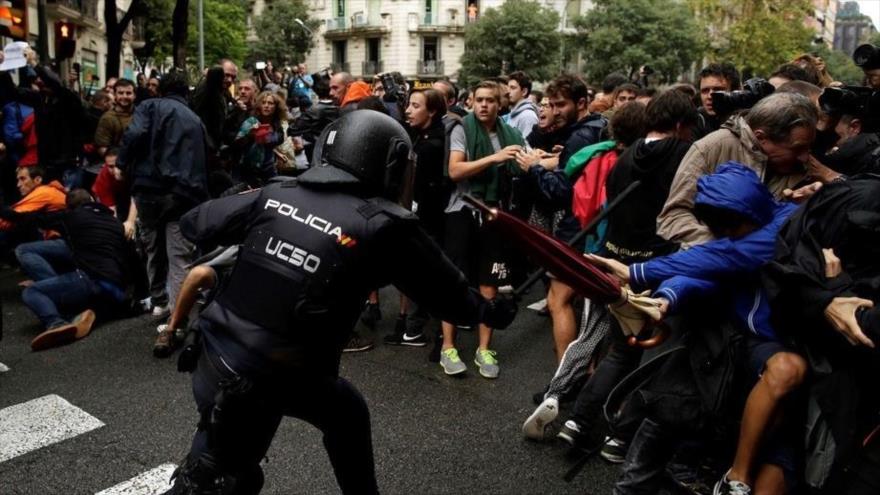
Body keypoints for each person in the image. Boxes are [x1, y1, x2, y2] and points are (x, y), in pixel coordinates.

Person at [161, 110, 518, 494]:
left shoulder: (277, 192)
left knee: (325, 418)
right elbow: (453, 299)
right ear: (391, 162)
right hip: (279, 374)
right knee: (231, 471)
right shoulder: (385, 225)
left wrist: (257, 216)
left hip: (215, 358)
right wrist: (493, 310)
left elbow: (194, 223)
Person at [440, 80, 525, 379]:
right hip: (462, 210)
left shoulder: (509, 133)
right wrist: (494, 158)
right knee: (455, 279)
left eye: (490, 100)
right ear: (472, 102)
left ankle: (484, 348)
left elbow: (523, 163)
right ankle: (447, 347)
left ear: (499, 104)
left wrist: (542, 160)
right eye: (479, 100)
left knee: (489, 282)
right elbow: (455, 170)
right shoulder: (462, 128)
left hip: (494, 213)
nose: (484, 105)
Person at [658, 92, 818, 248]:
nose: (805, 158)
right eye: (798, 149)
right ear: (761, 137)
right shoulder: (712, 148)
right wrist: (723, 248)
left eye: (809, 147)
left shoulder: (804, 167)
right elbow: (673, 216)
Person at [117, 71, 208, 320]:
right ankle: (177, 320)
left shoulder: (148, 106)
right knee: (179, 256)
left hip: (149, 189)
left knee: (153, 248)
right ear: (185, 92)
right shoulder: (194, 118)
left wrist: (121, 164)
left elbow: (134, 135)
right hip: (183, 194)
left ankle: (160, 302)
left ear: (161, 89)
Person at [20, 188, 129, 351]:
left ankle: (56, 323)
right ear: (92, 200)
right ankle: (86, 312)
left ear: (70, 208)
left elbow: (36, 219)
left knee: (32, 292)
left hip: (92, 281)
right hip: (118, 290)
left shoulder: (71, 217)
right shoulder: (115, 223)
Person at [383, 88, 450, 346]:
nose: (408, 110)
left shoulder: (432, 145)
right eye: (408, 104)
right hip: (422, 219)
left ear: (432, 111)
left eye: (415, 105)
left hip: (427, 221)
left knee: (422, 274)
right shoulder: (422, 137)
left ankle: (416, 329)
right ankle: (415, 327)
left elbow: (424, 189)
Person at [234, 90, 286, 186]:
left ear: (276, 107)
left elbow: (279, 139)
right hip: (249, 169)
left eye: (270, 103)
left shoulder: (276, 124)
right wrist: (250, 134)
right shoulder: (251, 121)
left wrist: (275, 150)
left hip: (269, 168)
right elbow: (237, 143)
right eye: (263, 103)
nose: (266, 106)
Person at [693, 63, 741, 140]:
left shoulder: (749, 122)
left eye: (718, 90)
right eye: (705, 91)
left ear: (736, 92)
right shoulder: (694, 122)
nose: (709, 96)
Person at [94, 78, 136, 157]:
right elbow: (102, 148)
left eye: (128, 93)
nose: (124, 96)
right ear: (115, 95)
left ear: (134, 96)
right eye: (120, 93)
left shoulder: (141, 114)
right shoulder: (107, 118)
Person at [506, 71, 538, 139]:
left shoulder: (528, 117)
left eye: (512, 88)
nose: (508, 91)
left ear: (524, 92)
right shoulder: (513, 114)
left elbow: (527, 147)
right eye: (507, 88)